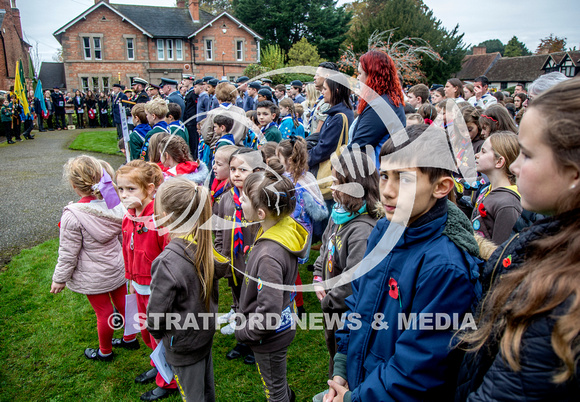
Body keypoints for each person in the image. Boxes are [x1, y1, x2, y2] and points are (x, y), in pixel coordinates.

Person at [325, 124, 482, 402]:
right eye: (384, 176)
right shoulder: (383, 231)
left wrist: (356, 399)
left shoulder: (445, 267)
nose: (387, 191)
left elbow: (421, 367)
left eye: (404, 179)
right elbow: (358, 304)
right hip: (361, 383)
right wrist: (342, 365)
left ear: (441, 187)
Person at [455, 77, 580, 401]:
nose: (516, 165)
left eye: (526, 154)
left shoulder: (557, 297)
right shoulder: (553, 242)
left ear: (574, 173)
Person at [50, 156, 137, 361]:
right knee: (123, 303)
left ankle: (104, 351)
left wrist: (59, 278)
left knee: (104, 312)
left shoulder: (73, 215)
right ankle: (130, 337)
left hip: (93, 275)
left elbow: (68, 253)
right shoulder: (115, 205)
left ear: (73, 185)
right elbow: (122, 237)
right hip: (116, 266)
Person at [147, 178, 226, 402]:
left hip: (182, 343)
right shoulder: (202, 245)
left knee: (193, 396)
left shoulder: (167, 262)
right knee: (206, 389)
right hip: (203, 335)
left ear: (166, 215)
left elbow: (156, 313)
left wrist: (157, 333)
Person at [236, 166, 309, 402]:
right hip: (281, 327)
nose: (239, 200)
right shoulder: (283, 228)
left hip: (268, 337)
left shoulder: (269, 255)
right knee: (278, 380)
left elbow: (268, 313)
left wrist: (245, 333)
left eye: (244, 198)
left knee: (274, 391)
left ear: (260, 213)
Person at [311, 147, 380, 383]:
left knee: (346, 355)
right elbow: (324, 247)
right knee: (333, 349)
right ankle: (333, 383)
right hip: (331, 303)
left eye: (337, 183)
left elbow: (353, 280)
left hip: (344, 310)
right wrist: (318, 277)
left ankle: (341, 388)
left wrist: (328, 302)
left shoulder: (362, 230)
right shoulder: (339, 213)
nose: (331, 188)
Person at [116, 160, 178, 400]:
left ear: (150, 189)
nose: (124, 195)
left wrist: (165, 288)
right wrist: (130, 278)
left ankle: (168, 381)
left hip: (157, 289)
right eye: (120, 189)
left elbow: (170, 257)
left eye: (131, 189)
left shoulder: (159, 219)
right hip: (137, 286)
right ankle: (159, 364)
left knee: (160, 333)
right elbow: (128, 250)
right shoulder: (129, 216)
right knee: (146, 332)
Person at [214, 148, 263, 363]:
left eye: (242, 169)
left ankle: (256, 343)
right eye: (233, 169)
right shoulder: (224, 199)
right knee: (239, 301)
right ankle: (242, 340)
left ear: (257, 171)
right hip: (233, 263)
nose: (235, 174)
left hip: (253, 264)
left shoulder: (261, 200)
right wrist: (219, 254)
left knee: (255, 303)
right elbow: (217, 229)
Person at [350, 50, 406, 164]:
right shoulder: (387, 101)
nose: (358, 78)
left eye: (360, 73)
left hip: (374, 173)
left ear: (372, 75)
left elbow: (359, 147)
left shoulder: (380, 106)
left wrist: (338, 166)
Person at [471, 132, 522, 245]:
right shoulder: (487, 190)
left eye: (483, 151)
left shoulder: (508, 204)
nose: (476, 155)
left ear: (499, 162)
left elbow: (501, 251)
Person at [308, 75, 354, 176]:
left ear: (336, 91)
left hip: (328, 171)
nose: (322, 92)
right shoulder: (339, 112)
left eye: (325, 89)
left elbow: (324, 148)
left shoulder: (339, 117)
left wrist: (304, 159)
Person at [210, 144, 237, 214]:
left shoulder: (231, 190)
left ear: (232, 168)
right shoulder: (216, 183)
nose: (214, 167)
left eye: (219, 164)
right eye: (214, 162)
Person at [181, 75, 199, 159]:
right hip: (189, 122)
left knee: (193, 144)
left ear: (190, 81)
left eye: (185, 80)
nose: (183, 82)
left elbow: (196, 106)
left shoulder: (193, 93)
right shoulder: (189, 93)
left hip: (192, 122)